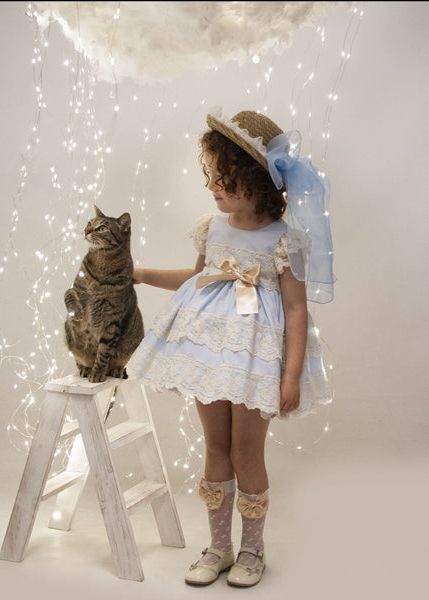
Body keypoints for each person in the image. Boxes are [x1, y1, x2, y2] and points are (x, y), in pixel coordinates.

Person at [126, 108, 335, 587]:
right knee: (216, 447)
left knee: (246, 453)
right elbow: (196, 277)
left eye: (223, 178)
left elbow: (296, 308)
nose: (212, 187)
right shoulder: (212, 227)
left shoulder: (285, 240)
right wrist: (142, 274)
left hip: (255, 362)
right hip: (210, 355)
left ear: (256, 180)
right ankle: (218, 547)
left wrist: (290, 375)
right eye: (211, 176)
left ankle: (252, 550)